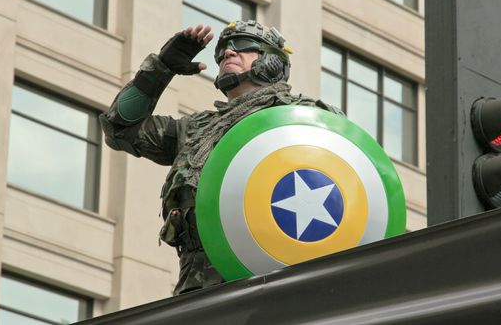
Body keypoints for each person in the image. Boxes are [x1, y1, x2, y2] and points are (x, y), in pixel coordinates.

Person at [100, 20, 343, 295]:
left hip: (282, 287)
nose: (227, 53)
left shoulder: (308, 118)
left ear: (273, 61)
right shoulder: (195, 130)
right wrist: (162, 68)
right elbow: (119, 128)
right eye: (222, 51)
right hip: (199, 292)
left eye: (242, 46)